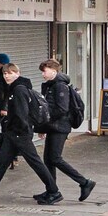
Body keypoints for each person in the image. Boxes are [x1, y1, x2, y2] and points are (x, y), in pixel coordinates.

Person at [0, 65, 60, 205]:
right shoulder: (16, 88)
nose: (7, 76)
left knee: (35, 162)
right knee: (1, 161)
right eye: (5, 73)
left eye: (10, 73)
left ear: (18, 73)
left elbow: (21, 113)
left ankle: (54, 191)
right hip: (13, 133)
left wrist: (19, 130)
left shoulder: (19, 90)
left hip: (20, 133)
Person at [36, 58, 96, 203]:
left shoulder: (60, 86)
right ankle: (51, 190)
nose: (42, 74)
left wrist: (45, 121)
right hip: (53, 127)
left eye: (44, 71)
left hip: (60, 127)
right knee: (48, 160)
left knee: (55, 158)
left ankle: (84, 182)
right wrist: (43, 126)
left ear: (53, 71)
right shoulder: (51, 85)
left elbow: (61, 109)